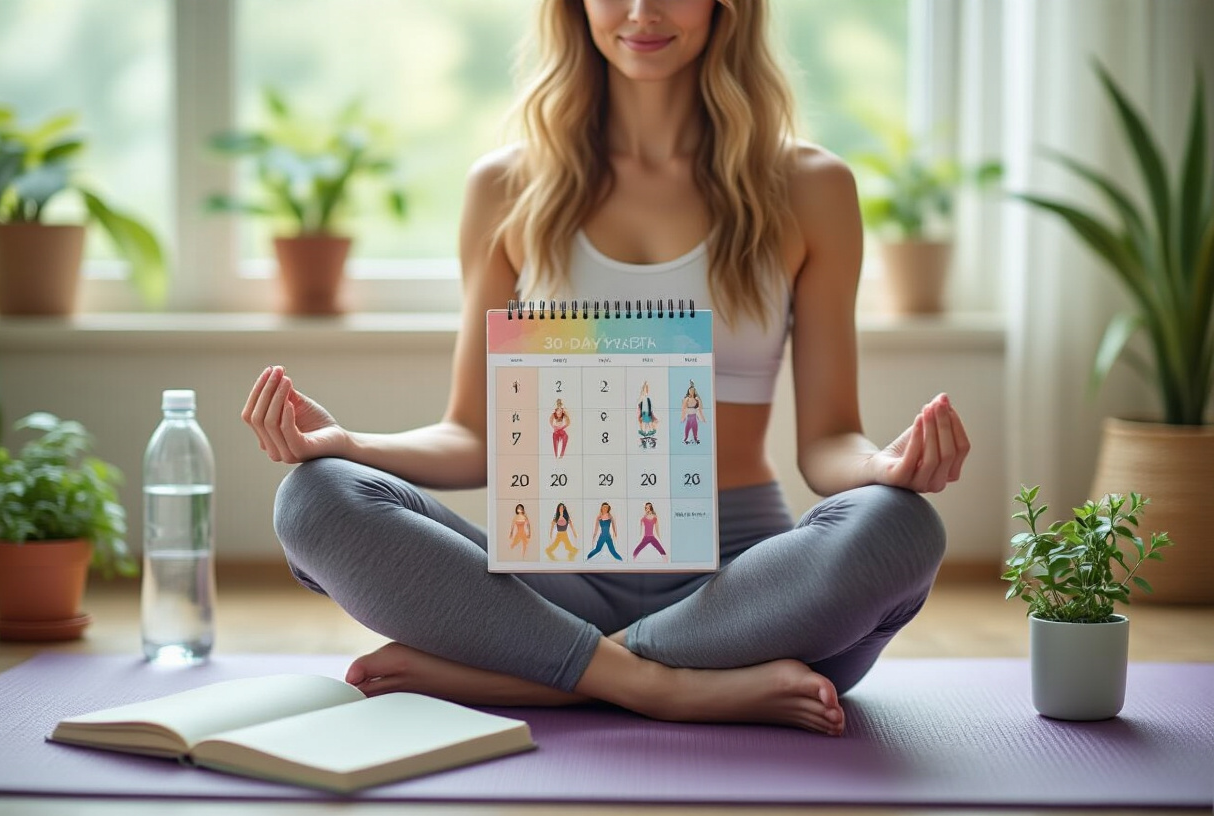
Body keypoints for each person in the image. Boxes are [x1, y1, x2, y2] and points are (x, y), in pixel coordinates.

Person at [243, 0, 969, 736]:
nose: (641, 11)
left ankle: (547, 677)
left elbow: (827, 443)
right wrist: (351, 446)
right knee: (313, 498)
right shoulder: (505, 187)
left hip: (741, 597)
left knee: (901, 526)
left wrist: (885, 464)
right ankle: (665, 687)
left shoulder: (811, 185)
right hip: (551, 582)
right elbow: (474, 436)